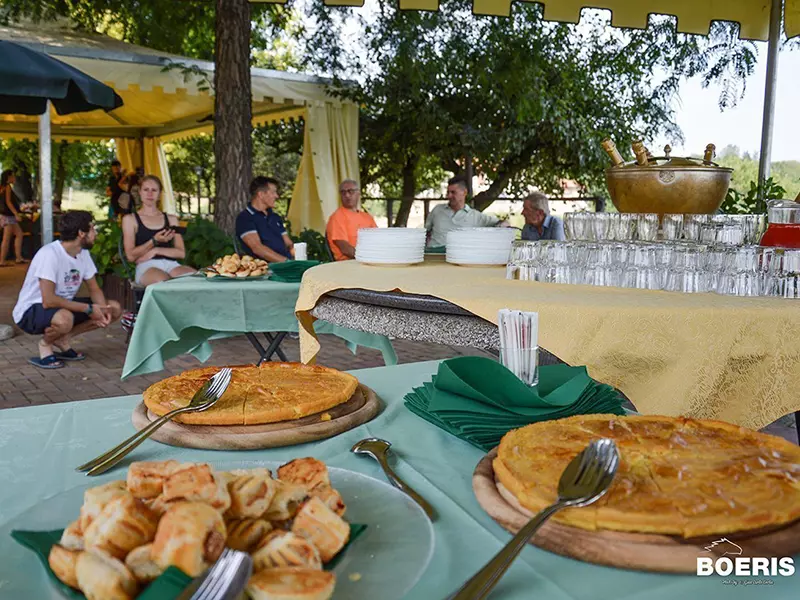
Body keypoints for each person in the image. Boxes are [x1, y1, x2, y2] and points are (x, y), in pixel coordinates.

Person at [12, 210, 122, 370]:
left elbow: (94, 288)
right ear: (81, 233)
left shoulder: (83, 253)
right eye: (92, 229)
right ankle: (45, 345)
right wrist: (89, 309)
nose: (95, 233)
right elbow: (48, 300)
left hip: (62, 306)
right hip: (31, 310)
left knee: (115, 308)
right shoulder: (49, 254)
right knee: (65, 319)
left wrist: (103, 311)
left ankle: (62, 339)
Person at [122, 175, 196, 286]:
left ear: (159, 194)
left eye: (154, 190)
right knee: (164, 283)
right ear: (140, 192)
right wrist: (154, 240)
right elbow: (131, 256)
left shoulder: (171, 219)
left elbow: (181, 253)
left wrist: (155, 250)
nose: (150, 194)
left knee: (195, 278)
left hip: (171, 264)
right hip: (146, 266)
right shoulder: (130, 219)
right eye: (146, 190)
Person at [425, 177, 508, 247]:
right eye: (448, 192)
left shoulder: (475, 216)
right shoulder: (437, 210)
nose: (449, 196)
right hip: (434, 255)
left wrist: (502, 225)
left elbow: (503, 223)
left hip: (460, 258)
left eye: (453, 192)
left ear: (464, 192)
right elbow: (425, 232)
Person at [236, 176, 294, 263]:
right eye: (273, 192)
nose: (277, 196)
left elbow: (289, 244)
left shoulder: (275, 217)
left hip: (286, 265)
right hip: (266, 270)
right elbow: (257, 248)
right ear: (261, 194)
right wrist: (287, 262)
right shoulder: (245, 218)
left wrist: (299, 258)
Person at [326, 179, 377, 260]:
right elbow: (346, 250)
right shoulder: (337, 217)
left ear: (358, 193)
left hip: (370, 261)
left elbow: (378, 241)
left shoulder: (367, 217)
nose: (347, 195)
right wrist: (370, 257)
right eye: (343, 192)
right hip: (349, 264)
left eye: (351, 191)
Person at [0, 169, 26, 266]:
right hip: (8, 216)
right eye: (13, 176)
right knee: (6, 239)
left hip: (5, 215)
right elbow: (8, 202)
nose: (14, 178)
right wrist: (16, 214)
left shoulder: (1, 187)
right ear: (9, 177)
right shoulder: (7, 187)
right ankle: (2, 261)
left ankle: (18, 257)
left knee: (19, 234)